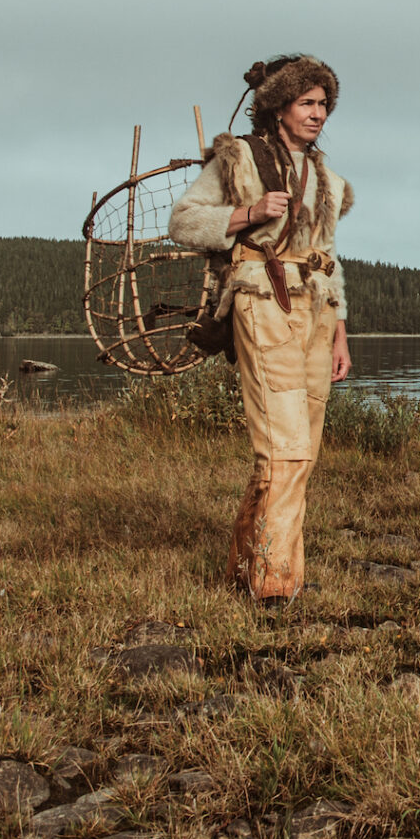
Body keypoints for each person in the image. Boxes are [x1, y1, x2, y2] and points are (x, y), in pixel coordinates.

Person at [167, 55, 352, 603]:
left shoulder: (326, 177)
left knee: (301, 449)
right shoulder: (239, 158)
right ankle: (274, 585)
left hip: (317, 312)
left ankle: (247, 569)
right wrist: (248, 214)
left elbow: (329, 258)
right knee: (284, 445)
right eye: (307, 103)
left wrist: (340, 333)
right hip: (262, 298)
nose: (318, 114)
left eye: (324, 104)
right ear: (278, 106)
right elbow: (182, 221)